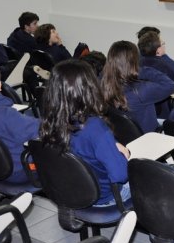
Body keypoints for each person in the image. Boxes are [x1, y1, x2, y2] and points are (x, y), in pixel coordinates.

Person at [39, 59, 130, 207]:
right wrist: (121, 154)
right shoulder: (94, 127)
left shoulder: (49, 123)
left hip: (71, 191)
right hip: (104, 197)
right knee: (153, 177)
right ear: (89, 88)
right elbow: (121, 175)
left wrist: (112, 145)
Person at [100, 41, 174, 133]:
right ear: (134, 61)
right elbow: (171, 85)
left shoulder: (102, 83)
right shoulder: (141, 90)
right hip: (148, 137)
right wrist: (138, 70)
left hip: (121, 136)